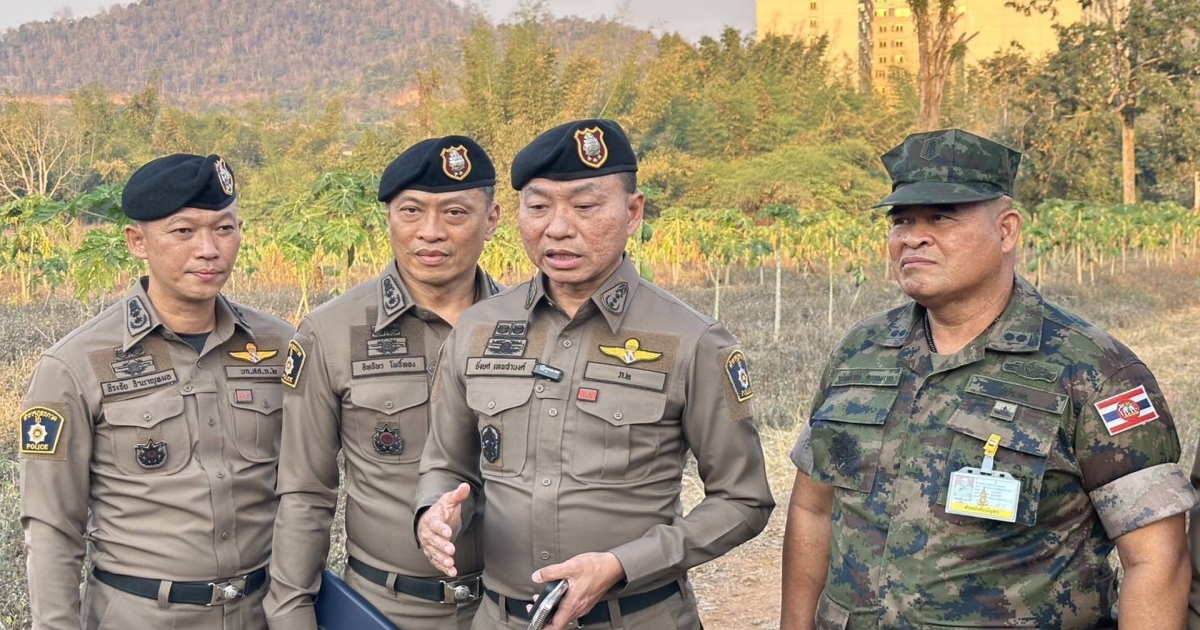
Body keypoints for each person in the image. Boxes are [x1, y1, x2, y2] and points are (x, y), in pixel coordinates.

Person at [781, 128, 1198, 630]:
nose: (913, 236)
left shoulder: (1095, 372)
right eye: (902, 221)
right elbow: (811, 507)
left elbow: (1156, 558)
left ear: (1006, 231)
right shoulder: (859, 353)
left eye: (940, 217)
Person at [415, 119, 775, 630]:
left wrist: (624, 564)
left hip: (636, 618)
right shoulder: (479, 327)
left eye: (584, 207)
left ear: (632, 212)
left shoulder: (693, 340)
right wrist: (434, 513)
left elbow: (743, 500)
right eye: (538, 207)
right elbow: (446, 465)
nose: (557, 228)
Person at [19, 154, 295, 630]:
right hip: (140, 616)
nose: (209, 249)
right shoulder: (74, 364)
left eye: (224, 229)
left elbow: (307, 487)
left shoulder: (277, 344)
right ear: (137, 241)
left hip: (260, 612)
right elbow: (51, 528)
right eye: (183, 231)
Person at [264, 136, 503, 630]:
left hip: (512, 608)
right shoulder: (330, 333)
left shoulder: (528, 328)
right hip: (386, 609)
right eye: (411, 211)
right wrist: (290, 614)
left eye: (455, 213)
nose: (430, 233)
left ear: (493, 219)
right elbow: (305, 491)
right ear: (389, 218)